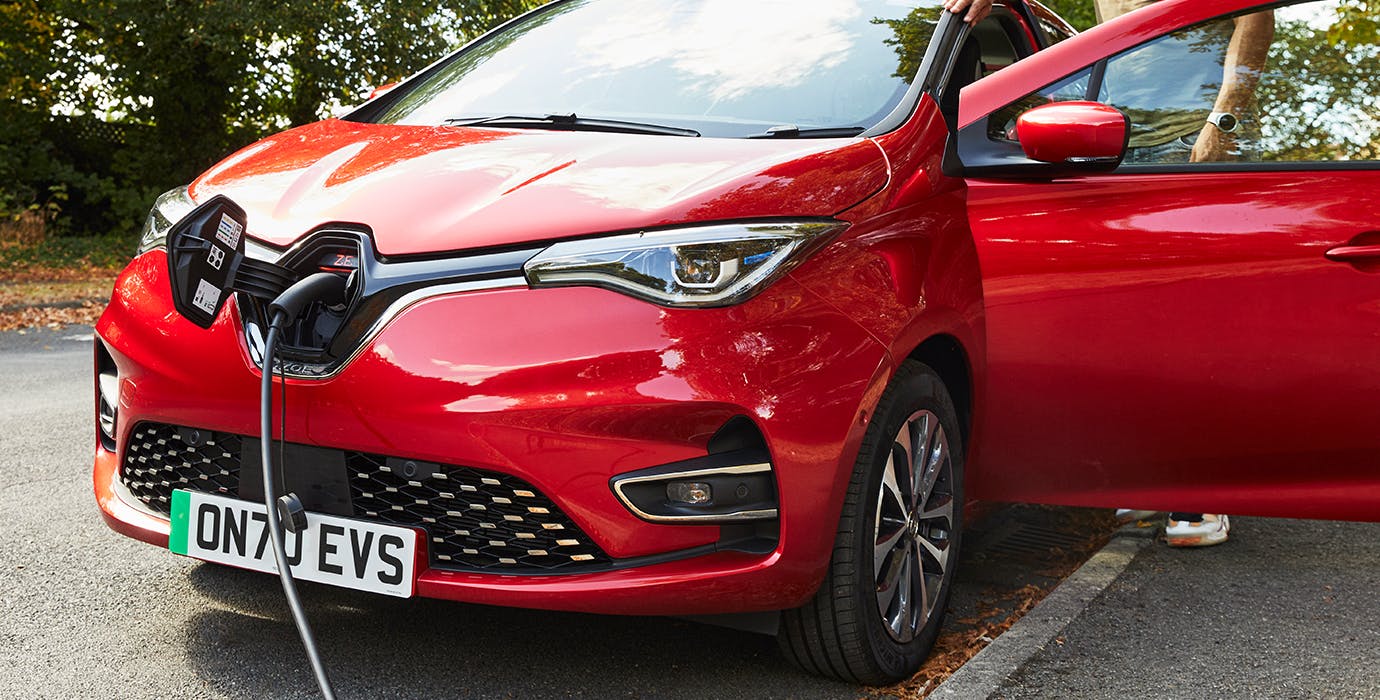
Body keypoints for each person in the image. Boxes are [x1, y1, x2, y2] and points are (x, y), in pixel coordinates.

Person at [943, 0, 1274, 546]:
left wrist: (1226, 117)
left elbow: (1255, 14)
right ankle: (1148, 480)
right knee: (1131, 322)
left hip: (1194, 136)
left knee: (1191, 320)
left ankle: (1198, 493)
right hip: (1118, 135)